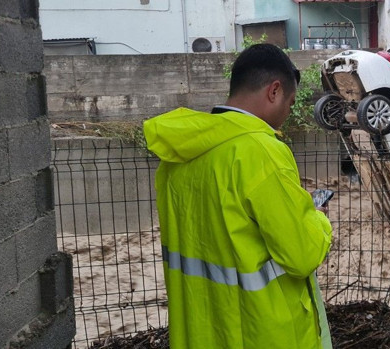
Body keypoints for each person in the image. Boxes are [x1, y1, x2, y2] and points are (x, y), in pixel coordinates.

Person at [143, 44, 333, 349]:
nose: (287, 112)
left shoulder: (177, 156)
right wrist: (319, 221)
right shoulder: (261, 153)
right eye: (290, 101)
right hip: (264, 332)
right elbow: (302, 255)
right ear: (274, 91)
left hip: (202, 330)